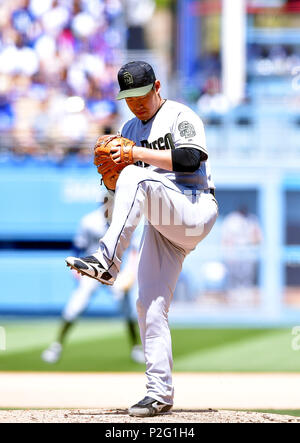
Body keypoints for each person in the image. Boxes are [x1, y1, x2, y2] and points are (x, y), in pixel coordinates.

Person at [66, 61, 218, 417]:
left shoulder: (181, 115)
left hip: (194, 207)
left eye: (140, 94)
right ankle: (158, 393)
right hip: (163, 223)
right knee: (148, 306)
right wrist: (109, 181)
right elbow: (123, 187)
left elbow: (190, 159)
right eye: (128, 97)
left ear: (157, 86)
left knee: (137, 172)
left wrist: (133, 155)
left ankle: (107, 261)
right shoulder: (129, 127)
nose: (135, 102)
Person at [42, 193, 144, 365]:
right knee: (75, 306)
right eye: (110, 201)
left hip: (115, 269)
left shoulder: (127, 221)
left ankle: (136, 348)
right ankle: (56, 346)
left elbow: (134, 250)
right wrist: (76, 271)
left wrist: (131, 272)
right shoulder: (89, 221)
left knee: (127, 309)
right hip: (92, 268)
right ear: (104, 202)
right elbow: (77, 247)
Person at [221, 205, 262, 295]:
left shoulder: (252, 219)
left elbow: (258, 237)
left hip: (248, 250)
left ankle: (246, 295)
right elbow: (226, 238)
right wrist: (228, 253)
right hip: (235, 251)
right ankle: (233, 295)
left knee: (247, 276)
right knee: (234, 276)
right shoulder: (231, 219)